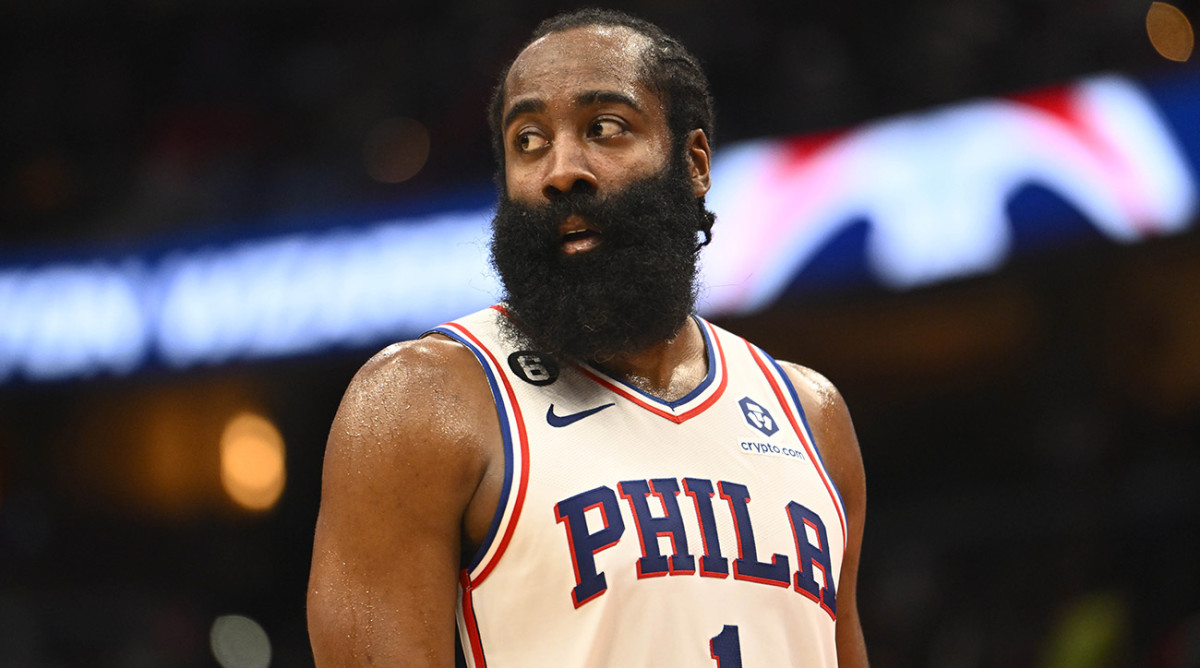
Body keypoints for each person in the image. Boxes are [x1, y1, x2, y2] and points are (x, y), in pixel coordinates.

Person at [307, 8, 868, 667]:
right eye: (529, 140)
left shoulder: (811, 416)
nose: (561, 170)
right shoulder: (421, 403)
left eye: (605, 128)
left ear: (692, 162)